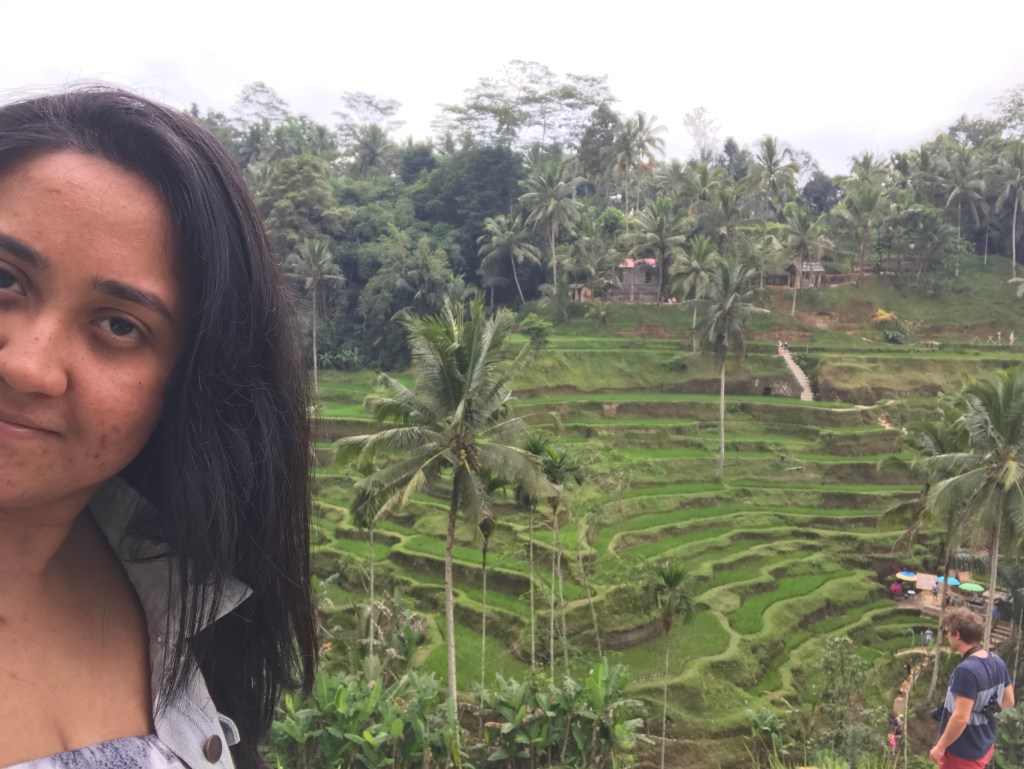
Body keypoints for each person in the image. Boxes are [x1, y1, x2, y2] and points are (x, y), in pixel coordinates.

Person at [0, 87, 317, 768]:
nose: (28, 367)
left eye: (120, 325)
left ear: (187, 385)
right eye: (5, 278)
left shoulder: (182, 589)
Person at [929, 607, 1014, 767]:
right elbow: (1009, 701)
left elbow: (961, 717)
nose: (946, 635)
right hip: (984, 744)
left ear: (957, 635)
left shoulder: (966, 670)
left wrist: (940, 747)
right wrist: (983, 710)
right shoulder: (997, 661)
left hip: (962, 752)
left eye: (947, 632)